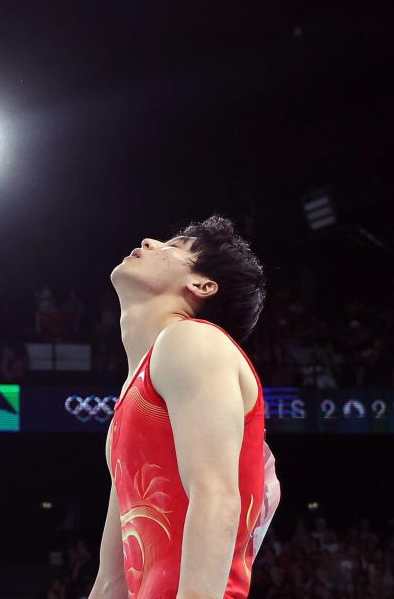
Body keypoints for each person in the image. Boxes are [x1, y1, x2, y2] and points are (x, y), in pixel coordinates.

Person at [92, 215, 281, 599]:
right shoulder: (131, 400)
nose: (148, 240)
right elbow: (113, 579)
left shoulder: (192, 341)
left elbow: (216, 496)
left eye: (175, 245)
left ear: (202, 285)